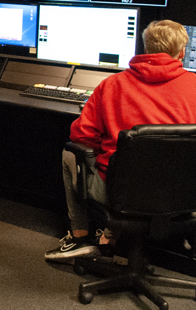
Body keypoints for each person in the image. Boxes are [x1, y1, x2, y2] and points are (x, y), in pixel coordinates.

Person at [44, 20, 196, 261]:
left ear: (145, 47)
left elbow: (81, 136)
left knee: (71, 153)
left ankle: (80, 237)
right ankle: (112, 236)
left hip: (118, 194)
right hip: (181, 196)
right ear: (181, 52)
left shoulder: (111, 85)